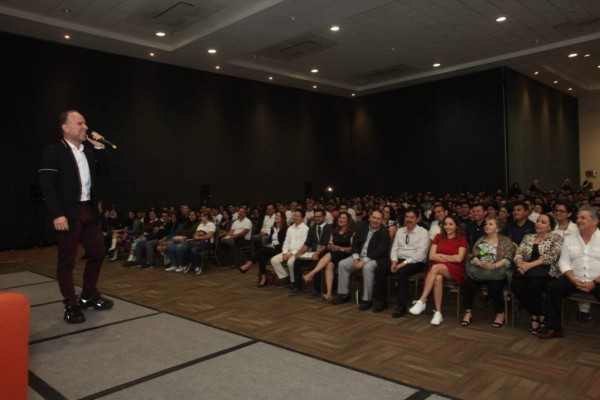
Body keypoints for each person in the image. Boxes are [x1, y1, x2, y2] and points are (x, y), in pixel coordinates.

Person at [38, 110, 113, 324]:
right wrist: (57, 213)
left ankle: (88, 295)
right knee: (67, 260)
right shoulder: (53, 151)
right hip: (68, 212)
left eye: (85, 123)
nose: (85, 127)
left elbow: (105, 173)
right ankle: (71, 303)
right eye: (79, 123)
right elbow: (47, 185)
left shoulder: (89, 152)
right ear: (65, 127)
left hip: (89, 210)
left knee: (98, 252)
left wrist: (100, 149)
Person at [538, 206, 600, 338]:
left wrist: (594, 282)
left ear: (594, 221)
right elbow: (564, 262)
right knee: (552, 287)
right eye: (578, 218)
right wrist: (573, 279)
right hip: (575, 278)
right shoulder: (570, 238)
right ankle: (554, 328)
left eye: (583, 218)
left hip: (597, 280)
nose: (579, 220)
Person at [409, 215, 468, 325]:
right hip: (437, 268)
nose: (447, 226)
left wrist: (442, 256)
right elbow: (431, 256)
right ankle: (438, 312)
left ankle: (422, 300)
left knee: (435, 268)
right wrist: (450, 257)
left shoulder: (461, 239)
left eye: (451, 224)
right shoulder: (438, 237)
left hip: (455, 269)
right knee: (438, 278)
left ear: (456, 226)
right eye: (445, 224)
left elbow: (459, 258)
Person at [373, 208, 430, 317]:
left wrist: (403, 264)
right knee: (380, 268)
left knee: (402, 272)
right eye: (407, 217)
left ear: (417, 219)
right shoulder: (400, 231)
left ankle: (401, 306)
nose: (408, 219)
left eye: (411, 217)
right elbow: (394, 248)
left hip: (416, 262)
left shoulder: (423, 232)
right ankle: (382, 301)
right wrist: (394, 261)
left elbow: (421, 255)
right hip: (399, 260)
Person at [512, 213, 563, 334]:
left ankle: (535, 316)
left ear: (550, 227)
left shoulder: (555, 237)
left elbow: (552, 256)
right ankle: (538, 313)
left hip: (545, 271)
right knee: (515, 286)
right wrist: (520, 264)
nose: (538, 224)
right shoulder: (528, 237)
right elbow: (519, 253)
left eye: (543, 222)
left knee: (533, 287)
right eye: (538, 221)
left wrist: (529, 265)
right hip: (526, 270)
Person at [330, 209, 390, 310]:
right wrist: (356, 258)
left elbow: (380, 251)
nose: (375, 220)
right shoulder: (362, 227)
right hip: (359, 256)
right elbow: (355, 244)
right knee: (342, 264)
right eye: (374, 217)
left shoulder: (384, 232)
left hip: (375, 259)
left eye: (378, 219)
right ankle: (343, 294)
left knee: (367, 268)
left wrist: (363, 261)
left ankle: (367, 299)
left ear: (381, 220)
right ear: (370, 217)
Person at [461, 216, 515, 328]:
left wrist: (494, 265)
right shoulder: (481, 239)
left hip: (498, 271)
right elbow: (473, 255)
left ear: (498, 228)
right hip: (480, 271)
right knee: (469, 284)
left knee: (494, 286)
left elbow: (508, 260)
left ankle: (500, 314)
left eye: (490, 224)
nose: (487, 226)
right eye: (486, 224)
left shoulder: (506, 241)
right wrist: (478, 262)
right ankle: (468, 312)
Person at [303, 211, 355, 301]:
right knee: (329, 265)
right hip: (335, 254)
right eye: (340, 218)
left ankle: (310, 274)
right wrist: (331, 246)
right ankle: (329, 294)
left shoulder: (352, 233)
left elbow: (352, 249)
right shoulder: (334, 231)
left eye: (344, 218)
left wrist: (340, 248)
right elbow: (329, 245)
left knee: (329, 254)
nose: (341, 219)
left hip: (346, 255)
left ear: (348, 221)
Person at [290, 209, 333, 296]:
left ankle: (316, 289)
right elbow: (307, 243)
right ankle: (298, 286)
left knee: (315, 262)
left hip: (324, 253)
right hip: (312, 253)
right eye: (315, 216)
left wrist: (317, 253)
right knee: (297, 262)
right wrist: (300, 252)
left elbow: (325, 244)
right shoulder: (312, 228)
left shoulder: (329, 228)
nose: (317, 218)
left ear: (324, 217)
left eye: (319, 216)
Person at [238, 211, 288, 287]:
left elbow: (285, 243)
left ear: (283, 218)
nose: (277, 217)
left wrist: (274, 246)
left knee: (263, 250)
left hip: (280, 249)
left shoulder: (285, 229)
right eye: (276, 215)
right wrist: (270, 244)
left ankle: (249, 264)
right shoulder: (273, 228)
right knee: (262, 255)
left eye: (279, 216)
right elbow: (270, 240)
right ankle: (263, 278)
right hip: (271, 248)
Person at [270, 210, 309, 287]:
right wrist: (284, 252)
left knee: (290, 262)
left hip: (299, 252)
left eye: (298, 216)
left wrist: (292, 253)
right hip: (288, 251)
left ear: (302, 218)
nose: (295, 217)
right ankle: (285, 278)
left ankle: (294, 281)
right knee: (274, 260)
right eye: (294, 215)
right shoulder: (290, 228)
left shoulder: (305, 229)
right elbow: (286, 241)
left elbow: (302, 244)